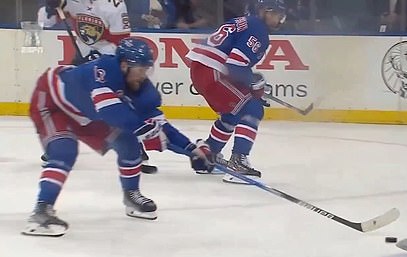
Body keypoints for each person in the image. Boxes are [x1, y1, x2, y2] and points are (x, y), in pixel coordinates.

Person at [23, 38, 214, 237]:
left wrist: (192, 150)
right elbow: (111, 111)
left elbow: (163, 128)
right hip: (54, 103)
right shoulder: (104, 70)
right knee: (64, 151)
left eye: (147, 69)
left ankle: (131, 195)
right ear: (124, 65)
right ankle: (41, 211)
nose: (144, 75)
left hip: (88, 113)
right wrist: (143, 130)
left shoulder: (142, 89)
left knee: (128, 142)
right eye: (140, 69)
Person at [185, 0, 286, 183]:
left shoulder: (244, 22)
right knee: (253, 108)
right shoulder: (258, 29)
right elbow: (236, 67)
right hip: (213, 70)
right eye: (276, 13)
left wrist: (253, 85)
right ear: (264, 11)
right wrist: (254, 84)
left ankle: (210, 155)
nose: (279, 19)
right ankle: (238, 162)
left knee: (232, 113)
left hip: (202, 69)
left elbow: (234, 66)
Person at [38, 0, 131, 62]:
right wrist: (49, 9)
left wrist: (98, 56)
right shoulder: (68, 2)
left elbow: (122, 43)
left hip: (108, 60)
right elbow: (45, 23)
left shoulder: (116, 6)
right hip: (81, 55)